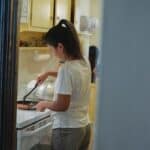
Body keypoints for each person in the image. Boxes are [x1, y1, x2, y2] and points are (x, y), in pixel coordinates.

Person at [35, 19, 91, 150]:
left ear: (60, 46)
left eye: (51, 48)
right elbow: (73, 77)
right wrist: (48, 73)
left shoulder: (66, 69)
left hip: (67, 131)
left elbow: (62, 105)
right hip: (83, 127)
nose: (52, 53)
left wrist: (43, 104)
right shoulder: (84, 62)